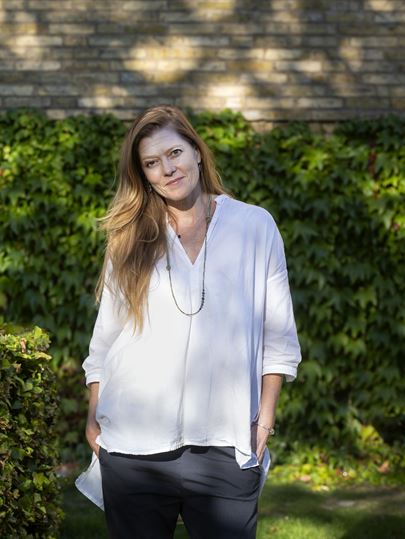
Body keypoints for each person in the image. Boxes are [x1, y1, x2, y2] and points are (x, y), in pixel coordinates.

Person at [74, 104, 302, 538]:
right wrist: (94, 416)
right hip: (133, 445)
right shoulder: (130, 237)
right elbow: (104, 341)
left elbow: (278, 339)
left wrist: (264, 422)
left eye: (175, 153)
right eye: (152, 163)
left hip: (226, 443)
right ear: (144, 176)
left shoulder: (254, 226)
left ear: (197, 151)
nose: (167, 169)